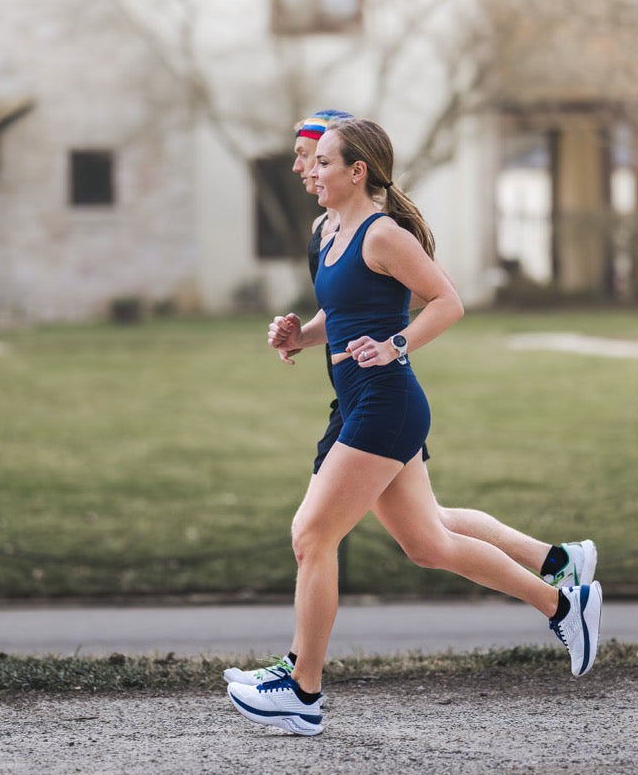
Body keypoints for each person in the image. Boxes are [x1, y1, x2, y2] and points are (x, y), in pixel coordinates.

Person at [226, 117, 602, 737]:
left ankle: (301, 688)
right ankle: (564, 602)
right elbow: (344, 312)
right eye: (311, 162)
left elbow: (448, 300)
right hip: (355, 401)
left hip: (386, 404)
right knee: (428, 544)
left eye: (321, 163)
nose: (309, 173)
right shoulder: (328, 230)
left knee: (311, 534)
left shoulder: (384, 235)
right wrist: (302, 335)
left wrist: (397, 344)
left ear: (357, 172)